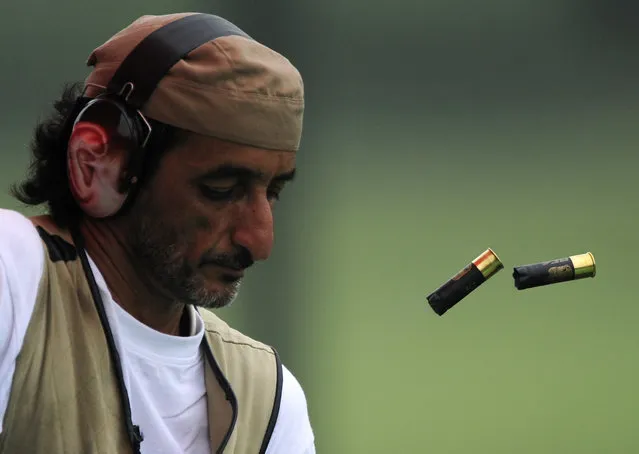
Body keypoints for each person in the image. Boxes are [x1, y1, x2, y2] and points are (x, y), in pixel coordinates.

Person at [0, 12, 314, 454]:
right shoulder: (12, 274)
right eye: (221, 190)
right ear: (100, 164)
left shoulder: (270, 400)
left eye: (272, 192)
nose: (259, 241)